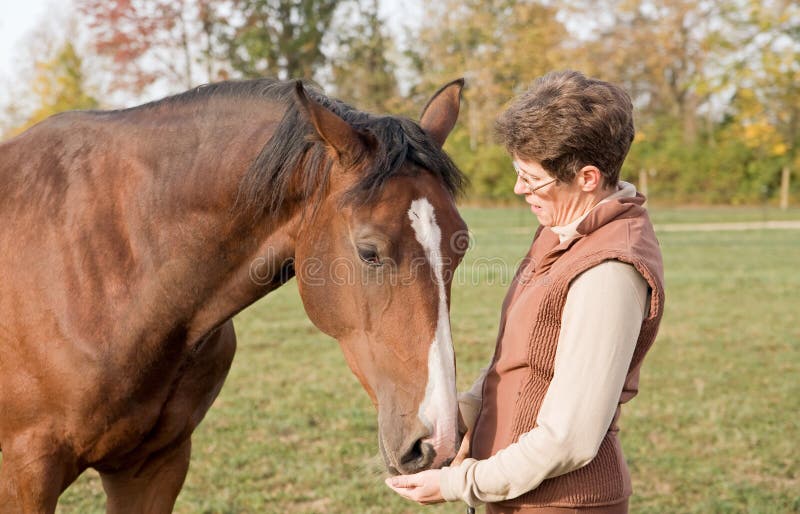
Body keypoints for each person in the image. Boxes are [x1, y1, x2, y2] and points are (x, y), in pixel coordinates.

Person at [385, 70, 665, 514]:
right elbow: (524, 359)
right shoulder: (561, 231)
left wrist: (459, 483)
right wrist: (466, 409)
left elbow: (568, 439)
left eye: (532, 179)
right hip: (516, 494)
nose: (519, 190)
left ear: (588, 177)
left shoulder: (608, 271)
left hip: (560, 504)